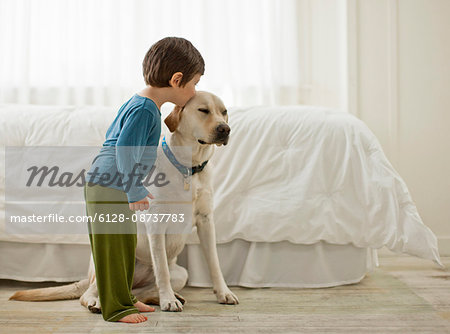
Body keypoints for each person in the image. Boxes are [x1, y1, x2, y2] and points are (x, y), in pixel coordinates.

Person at [83, 37, 204, 323]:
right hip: (108, 184)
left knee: (125, 245)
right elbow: (124, 152)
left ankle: (125, 297)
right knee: (113, 249)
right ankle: (116, 309)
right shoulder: (145, 109)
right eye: (194, 83)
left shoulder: (141, 103)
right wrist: (135, 188)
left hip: (113, 184)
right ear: (177, 80)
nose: (194, 90)